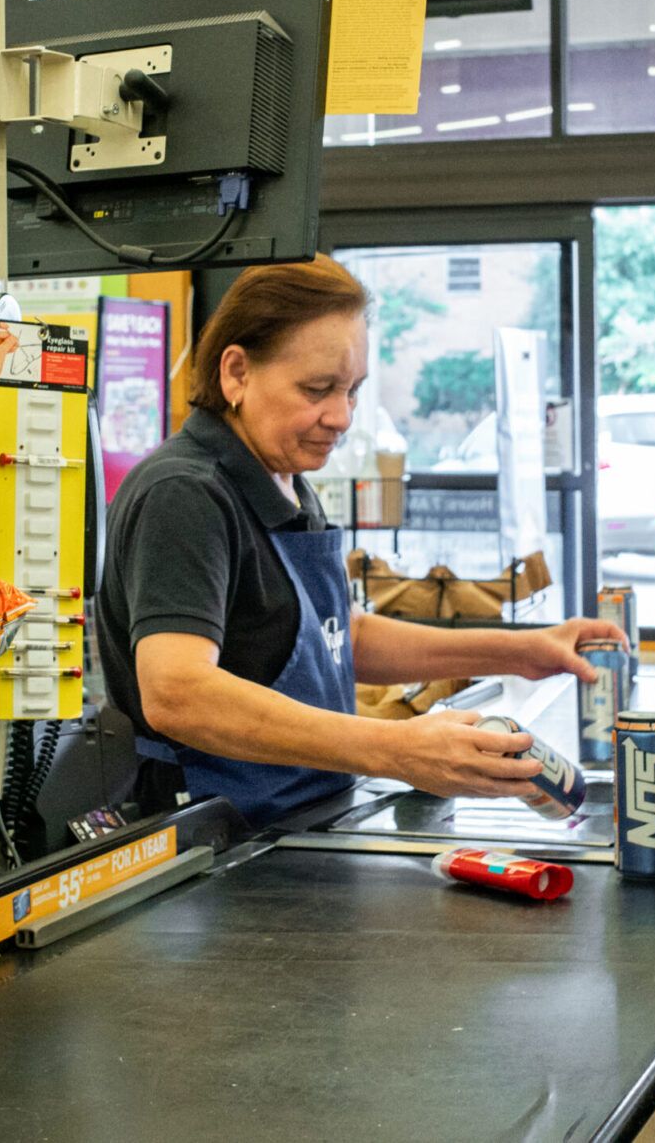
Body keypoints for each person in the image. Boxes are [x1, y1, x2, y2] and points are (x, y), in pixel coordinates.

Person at [100, 255, 625, 827]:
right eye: (318, 389)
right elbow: (178, 692)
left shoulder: (284, 477)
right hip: (216, 838)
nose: (342, 415)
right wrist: (397, 749)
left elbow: (342, 638)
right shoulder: (185, 493)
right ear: (236, 373)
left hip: (301, 815)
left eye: (352, 390)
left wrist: (520, 650)